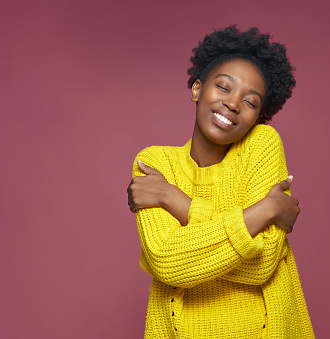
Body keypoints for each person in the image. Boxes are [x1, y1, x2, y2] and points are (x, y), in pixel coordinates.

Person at [127, 25, 315, 339]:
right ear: (197, 89)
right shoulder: (156, 163)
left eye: (251, 102)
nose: (233, 103)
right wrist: (262, 212)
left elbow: (264, 263)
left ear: (258, 117)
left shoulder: (263, 145)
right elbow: (167, 261)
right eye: (224, 87)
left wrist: (175, 200)